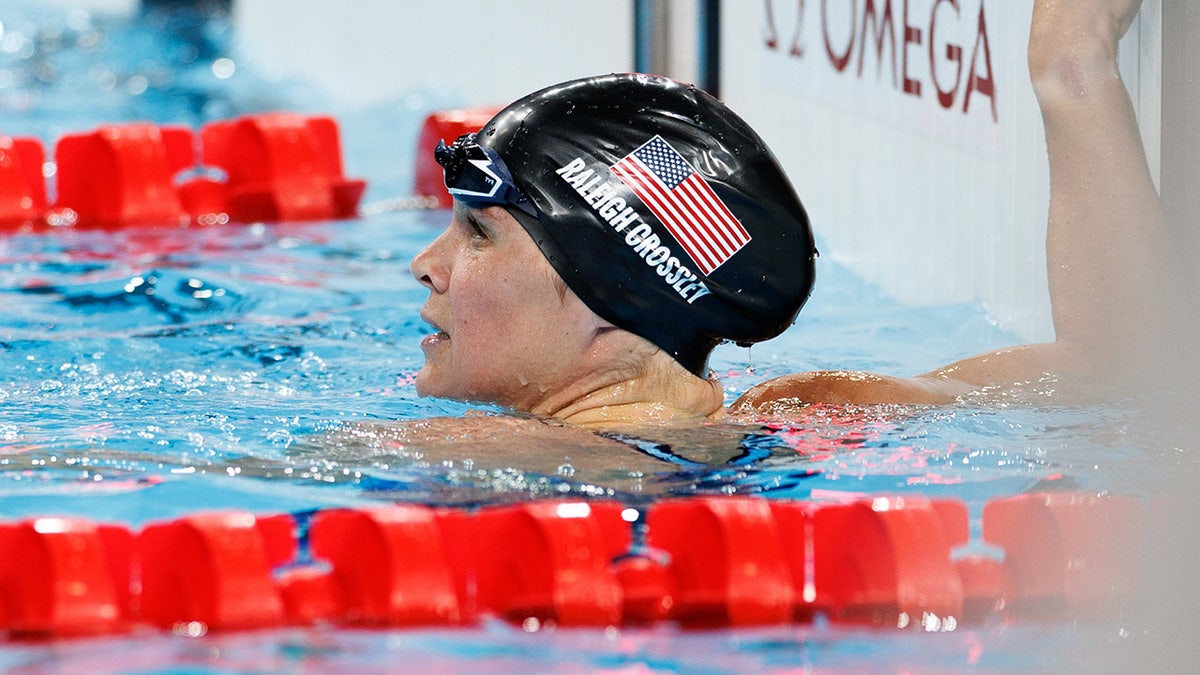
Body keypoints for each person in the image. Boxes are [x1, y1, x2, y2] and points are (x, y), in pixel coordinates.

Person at [408, 0, 1187, 429]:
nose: (425, 264)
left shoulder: (475, 460)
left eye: (477, 230)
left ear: (610, 298)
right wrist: (1070, 67)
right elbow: (1123, 372)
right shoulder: (810, 416)